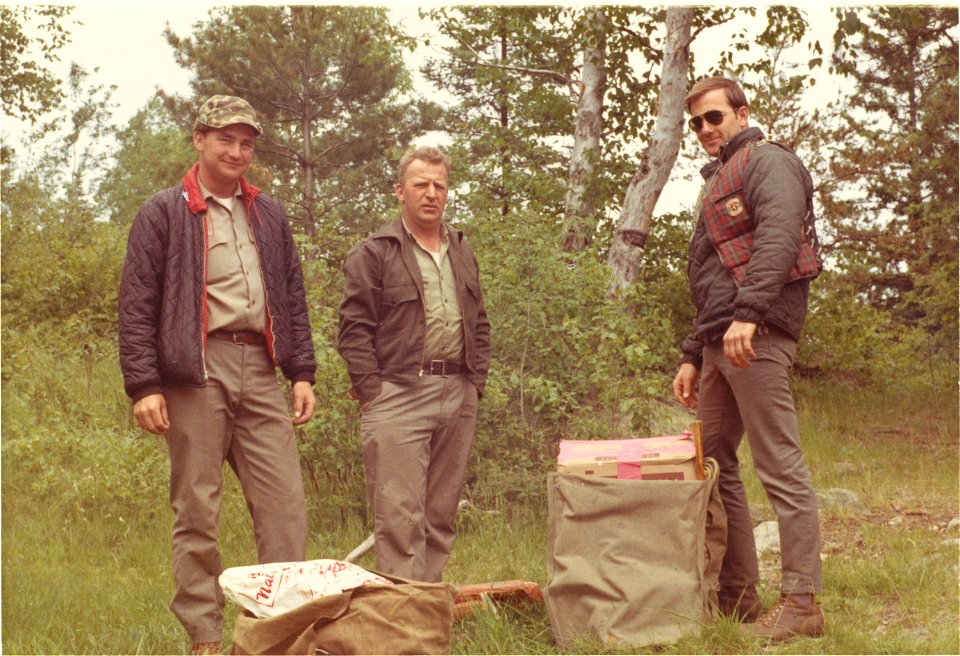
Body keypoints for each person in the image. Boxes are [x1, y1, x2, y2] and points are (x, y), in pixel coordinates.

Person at [118, 95, 317, 655]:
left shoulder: (269, 214)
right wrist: (144, 384)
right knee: (198, 507)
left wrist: (301, 371)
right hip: (194, 371)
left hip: (260, 365)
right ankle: (205, 636)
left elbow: (292, 297)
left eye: (246, 143)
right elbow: (136, 304)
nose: (236, 151)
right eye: (225, 139)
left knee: (284, 505)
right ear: (200, 139)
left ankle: (277, 631)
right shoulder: (163, 211)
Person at [671, 77, 825, 643]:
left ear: (741, 112)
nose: (706, 130)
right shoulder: (716, 181)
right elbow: (711, 281)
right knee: (711, 460)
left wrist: (751, 315)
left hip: (754, 335)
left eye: (714, 118)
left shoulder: (769, 163)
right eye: (697, 124)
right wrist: (693, 352)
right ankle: (737, 596)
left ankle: (803, 600)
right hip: (720, 339)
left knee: (778, 462)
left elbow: (780, 239)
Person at [336, 145, 491, 582]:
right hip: (398, 394)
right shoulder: (375, 251)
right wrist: (373, 394)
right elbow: (353, 330)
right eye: (420, 184)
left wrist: (474, 384)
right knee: (400, 520)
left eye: (439, 185)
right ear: (400, 190)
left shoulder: (461, 248)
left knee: (440, 515)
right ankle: (402, 632)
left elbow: (480, 321)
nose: (431, 193)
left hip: (456, 393)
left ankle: (427, 619)